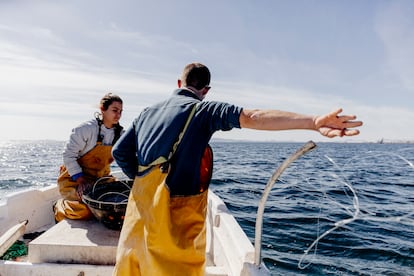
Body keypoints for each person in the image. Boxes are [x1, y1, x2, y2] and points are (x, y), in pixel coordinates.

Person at [111, 62, 363, 275]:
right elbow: (252, 117)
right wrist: (313, 122)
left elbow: (119, 152)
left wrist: (144, 181)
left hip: (139, 206)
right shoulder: (204, 110)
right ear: (206, 90)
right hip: (175, 216)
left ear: (179, 83)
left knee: (133, 265)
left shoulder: (146, 112)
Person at [54, 93, 124, 222]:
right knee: (86, 210)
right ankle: (59, 207)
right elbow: (68, 156)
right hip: (74, 180)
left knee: (117, 200)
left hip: (101, 179)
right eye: (114, 110)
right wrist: (81, 181)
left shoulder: (120, 134)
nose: (118, 115)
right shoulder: (85, 129)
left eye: (120, 111)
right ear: (102, 109)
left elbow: (129, 154)